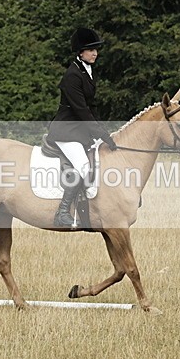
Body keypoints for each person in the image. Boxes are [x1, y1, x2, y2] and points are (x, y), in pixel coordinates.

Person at [46, 27, 117, 228]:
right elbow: (81, 110)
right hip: (66, 131)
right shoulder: (72, 76)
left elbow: (91, 108)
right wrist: (101, 134)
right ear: (80, 52)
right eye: (90, 49)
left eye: (96, 49)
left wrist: (103, 131)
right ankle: (62, 212)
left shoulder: (86, 71)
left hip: (79, 130)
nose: (95, 53)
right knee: (83, 166)